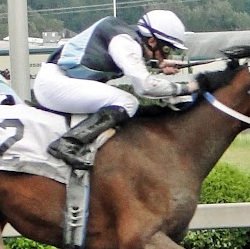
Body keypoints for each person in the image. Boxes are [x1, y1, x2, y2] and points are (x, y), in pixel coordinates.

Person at [34, 10, 196, 170]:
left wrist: (157, 65)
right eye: (167, 50)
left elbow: (132, 62)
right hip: (54, 84)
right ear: (152, 41)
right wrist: (187, 88)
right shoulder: (125, 43)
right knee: (128, 102)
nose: (166, 56)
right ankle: (68, 143)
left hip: (60, 80)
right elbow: (145, 87)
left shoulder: (126, 38)